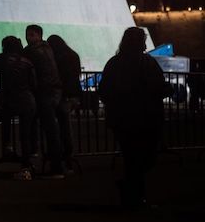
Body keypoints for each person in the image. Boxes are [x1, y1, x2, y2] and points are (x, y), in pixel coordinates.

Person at [99, 27, 170, 209]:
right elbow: (159, 87)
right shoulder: (147, 63)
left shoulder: (114, 63)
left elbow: (104, 91)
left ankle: (132, 193)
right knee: (143, 158)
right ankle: (135, 195)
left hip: (123, 118)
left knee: (132, 158)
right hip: (145, 117)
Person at [0, 36, 38, 179]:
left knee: (6, 124)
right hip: (28, 100)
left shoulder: (2, 58)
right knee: (25, 135)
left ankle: (8, 149)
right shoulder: (27, 62)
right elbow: (34, 84)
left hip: (10, 100)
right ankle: (26, 166)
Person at [24, 25, 64, 178]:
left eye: (32, 35)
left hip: (43, 93)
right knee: (52, 130)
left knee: (46, 129)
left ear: (39, 35)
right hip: (54, 93)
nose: (29, 37)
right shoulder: (48, 49)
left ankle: (53, 166)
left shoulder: (32, 52)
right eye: (28, 34)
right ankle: (56, 164)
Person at [47, 34, 82, 173]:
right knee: (66, 126)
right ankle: (69, 157)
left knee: (59, 128)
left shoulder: (57, 58)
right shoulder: (73, 55)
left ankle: (60, 156)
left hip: (61, 94)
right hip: (73, 94)